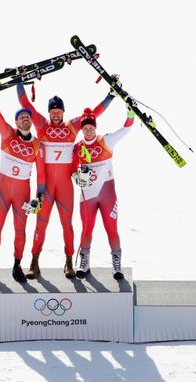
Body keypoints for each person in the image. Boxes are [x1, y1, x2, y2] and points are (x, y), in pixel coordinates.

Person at [16, 83, 114, 279]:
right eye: (53, 111)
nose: (56, 114)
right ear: (49, 112)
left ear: (63, 112)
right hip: (45, 187)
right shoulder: (42, 125)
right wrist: (19, 82)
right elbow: (26, 104)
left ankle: (69, 261)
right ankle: (34, 261)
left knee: (67, 224)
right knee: (40, 224)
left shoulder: (72, 126)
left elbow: (93, 114)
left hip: (65, 187)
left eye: (59, 111)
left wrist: (110, 96)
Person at [0, 88, 45, 284]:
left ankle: (17, 265)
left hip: (22, 194)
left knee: (20, 230)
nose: (25, 119)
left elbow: (41, 175)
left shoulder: (37, 145)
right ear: (16, 122)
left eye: (28, 117)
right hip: (2, 191)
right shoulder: (8, 134)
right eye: (21, 117)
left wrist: (39, 198)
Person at [71, 106, 135, 280]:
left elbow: (126, 128)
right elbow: (71, 168)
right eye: (85, 128)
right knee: (86, 228)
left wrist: (130, 113)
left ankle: (116, 263)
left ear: (95, 127)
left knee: (111, 228)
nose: (88, 131)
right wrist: (77, 176)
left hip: (108, 194)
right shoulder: (77, 147)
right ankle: (84, 262)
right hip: (87, 196)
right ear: (81, 129)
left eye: (91, 127)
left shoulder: (106, 140)